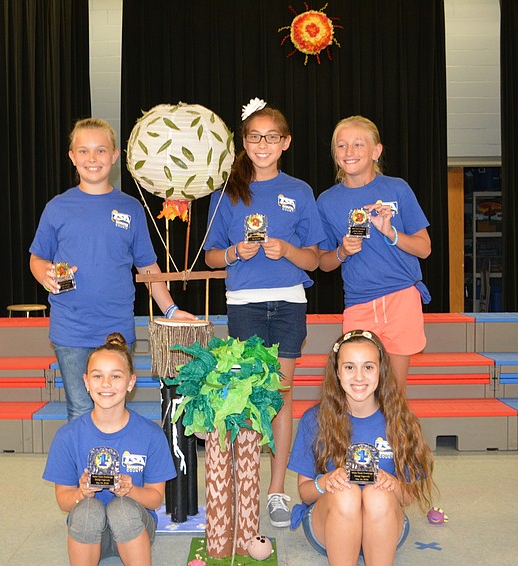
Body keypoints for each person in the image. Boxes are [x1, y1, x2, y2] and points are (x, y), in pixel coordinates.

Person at [204, 98, 325, 528]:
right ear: (244, 140)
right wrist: (237, 251)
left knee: (282, 396)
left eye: (272, 137)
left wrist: (287, 250)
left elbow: (314, 260)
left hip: (289, 302)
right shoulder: (227, 194)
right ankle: (246, 484)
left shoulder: (299, 191)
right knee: (249, 395)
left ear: (286, 142)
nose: (263, 144)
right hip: (245, 306)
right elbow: (212, 257)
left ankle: (276, 490)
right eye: (255, 136)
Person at [29, 117, 195, 421]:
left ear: (115, 156)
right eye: (84, 151)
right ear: (72, 157)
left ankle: (113, 470)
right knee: (80, 409)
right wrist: (45, 275)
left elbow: (149, 267)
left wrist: (170, 310)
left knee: (114, 407)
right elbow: (36, 258)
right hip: (70, 329)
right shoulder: (57, 208)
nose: (92, 159)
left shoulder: (131, 208)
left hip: (117, 328)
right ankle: (85, 470)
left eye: (101, 151)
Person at [287, 330, 435, 565]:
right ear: (337, 371)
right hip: (327, 524)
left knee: (377, 495)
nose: (359, 377)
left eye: (368, 367)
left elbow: (407, 498)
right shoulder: (314, 419)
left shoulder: (400, 421)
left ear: (381, 371)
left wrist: (393, 484)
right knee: (346, 493)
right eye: (349, 367)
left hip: (385, 524)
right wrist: (326, 481)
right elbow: (305, 494)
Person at [317, 116, 432, 390]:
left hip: (402, 298)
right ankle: (361, 436)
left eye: (358, 144)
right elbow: (323, 263)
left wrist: (390, 233)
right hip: (359, 303)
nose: (349, 152)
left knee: (394, 392)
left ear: (376, 151)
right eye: (342, 146)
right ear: (335, 154)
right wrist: (342, 251)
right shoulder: (326, 201)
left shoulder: (397, 188)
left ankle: (392, 436)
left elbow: (424, 248)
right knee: (359, 389)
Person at [43, 332, 177, 566]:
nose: (106, 384)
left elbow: (155, 499)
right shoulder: (67, 436)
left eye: (115, 376)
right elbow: (64, 501)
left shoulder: (151, 435)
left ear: (131, 382)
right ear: (86, 382)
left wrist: (130, 489)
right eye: (98, 376)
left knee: (122, 508)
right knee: (87, 510)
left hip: (134, 526)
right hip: (89, 530)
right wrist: (80, 492)